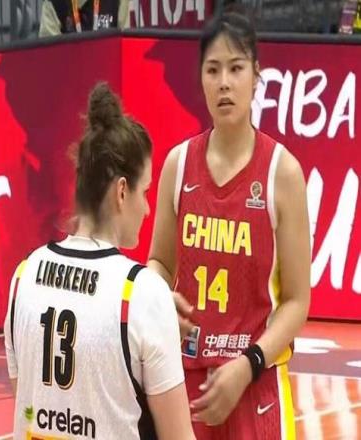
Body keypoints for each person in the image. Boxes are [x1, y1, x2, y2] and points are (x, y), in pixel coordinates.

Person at [148, 11, 310, 440]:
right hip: (185, 382)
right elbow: (158, 263)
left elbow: (297, 301)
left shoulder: (283, 173)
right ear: (200, 79)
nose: (224, 83)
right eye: (213, 70)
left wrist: (248, 364)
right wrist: (159, 300)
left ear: (256, 77)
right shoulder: (178, 165)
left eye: (236, 69)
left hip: (256, 385)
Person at [4, 83, 195, 440]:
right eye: (145, 192)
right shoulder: (142, 294)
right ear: (122, 191)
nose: (147, 208)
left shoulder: (23, 276)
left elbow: (27, 406)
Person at [39, 0, 129, 37]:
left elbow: (127, 49)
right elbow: (49, 58)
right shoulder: (52, 4)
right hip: (69, 69)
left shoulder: (119, 1)